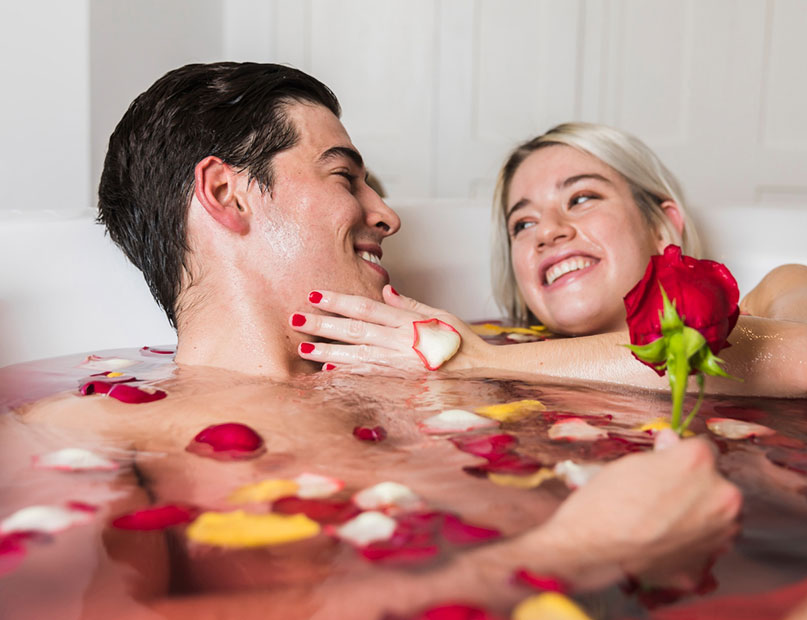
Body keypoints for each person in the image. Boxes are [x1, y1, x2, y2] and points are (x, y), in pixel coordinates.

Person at [0, 62, 741, 619]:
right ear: (226, 195)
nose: (385, 215)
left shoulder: (441, 358)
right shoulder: (83, 428)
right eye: (346, 176)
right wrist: (570, 555)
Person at [290, 124, 807, 398]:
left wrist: (472, 361)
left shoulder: (780, 290)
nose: (549, 231)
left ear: (663, 221)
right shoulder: (492, 345)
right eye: (523, 222)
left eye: (582, 197)